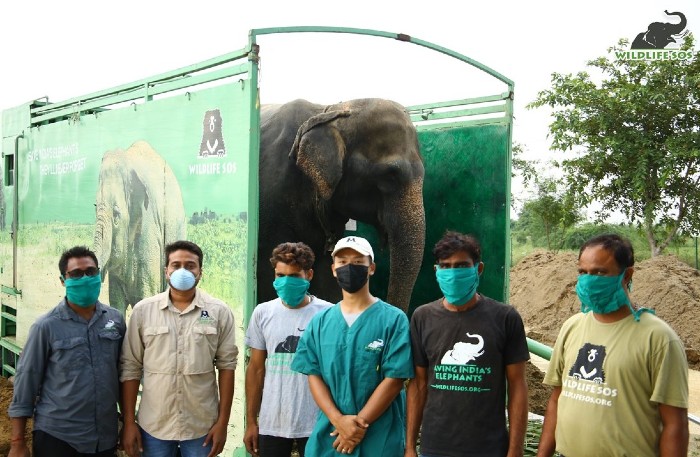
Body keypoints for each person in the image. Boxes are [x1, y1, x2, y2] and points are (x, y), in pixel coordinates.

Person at [536, 234, 689, 457]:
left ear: (627, 275)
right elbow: (556, 400)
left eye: (599, 272)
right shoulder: (572, 327)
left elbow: (674, 424)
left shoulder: (658, 338)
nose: (588, 281)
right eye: (582, 272)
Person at [406, 231, 530, 457]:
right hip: (435, 447)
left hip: (490, 448)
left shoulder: (505, 317)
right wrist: (409, 447)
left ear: (478, 269)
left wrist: (515, 449)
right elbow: (418, 385)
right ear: (437, 271)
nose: (453, 273)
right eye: (446, 266)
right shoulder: (422, 317)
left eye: (462, 266)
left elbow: (517, 386)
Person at [291, 235, 413, 456]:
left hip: (379, 436)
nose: (349, 267)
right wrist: (339, 421)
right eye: (343, 262)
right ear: (334, 269)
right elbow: (313, 374)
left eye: (358, 262)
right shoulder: (320, 322)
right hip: (331, 435)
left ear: (371, 268)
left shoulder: (393, 319)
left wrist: (357, 426)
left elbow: (395, 379)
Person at [120, 240, 238, 457]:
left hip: (201, 427)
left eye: (190, 265)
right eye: (176, 265)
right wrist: (129, 422)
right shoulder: (143, 311)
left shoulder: (219, 312)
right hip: (154, 427)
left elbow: (227, 368)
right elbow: (131, 368)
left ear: (200, 272)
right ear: (166, 271)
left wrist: (222, 423)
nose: (183, 270)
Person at [8, 245, 126, 457]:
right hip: (58, 437)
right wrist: (17, 442)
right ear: (63, 280)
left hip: (104, 437)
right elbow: (26, 381)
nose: (85, 278)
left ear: (99, 275)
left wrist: (128, 422)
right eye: (76, 274)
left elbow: (124, 374)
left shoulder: (115, 320)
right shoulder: (46, 326)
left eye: (91, 272)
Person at [243, 242, 333, 457]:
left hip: (316, 420)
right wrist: (251, 421)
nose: (285, 282)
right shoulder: (263, 312)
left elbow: (334, 370)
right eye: (280, 275)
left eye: (293, 276)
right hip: (272, 420)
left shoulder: (327, 313)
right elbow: (256, 369)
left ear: (309, 275)